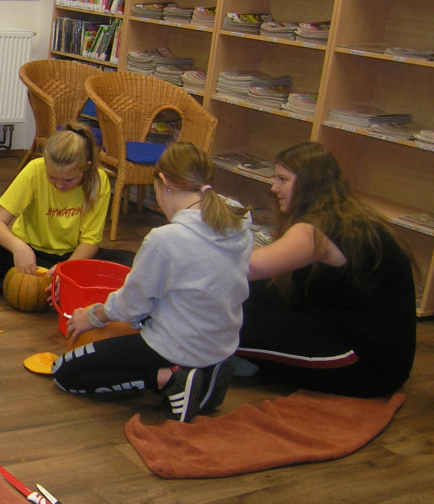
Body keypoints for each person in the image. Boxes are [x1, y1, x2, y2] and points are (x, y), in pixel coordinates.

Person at [52, 142, 253, 423]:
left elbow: (130, 306)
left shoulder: (165, 240)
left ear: (163, 182)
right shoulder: (239, 221)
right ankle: (205, 374)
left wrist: (93, 316)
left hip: (177, 346)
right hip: (221, 343)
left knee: (64, 372)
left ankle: (169, 378)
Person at [238, 142, 416, 398]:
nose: (274, 188)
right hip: (344, 327)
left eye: (283, 179)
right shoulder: (342, 215)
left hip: (367, 363)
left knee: (221, 331)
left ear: (309, 184)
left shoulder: (316, 229)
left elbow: (250, 267)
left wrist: (193, 252)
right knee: (248, 297)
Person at [0, 123, 131, 296]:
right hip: (30, 251)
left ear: (87, 167)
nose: (59, 185)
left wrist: (65, 268)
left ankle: (16, 283)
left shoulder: (99, 181)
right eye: (52, 177)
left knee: (131, 263)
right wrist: (18, 247)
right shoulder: (35, 169)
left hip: (72, 256)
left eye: (69, 180)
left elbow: (90, 242)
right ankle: (54, 285)